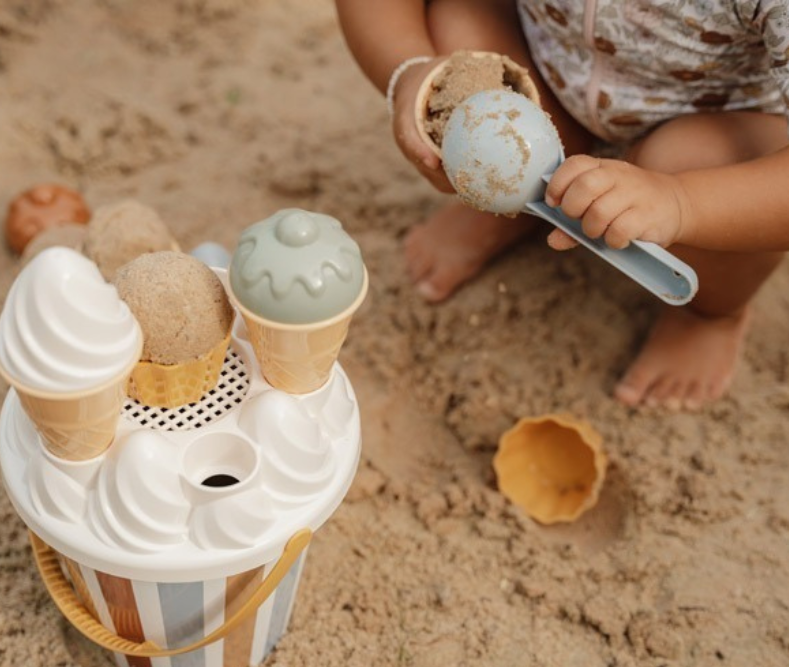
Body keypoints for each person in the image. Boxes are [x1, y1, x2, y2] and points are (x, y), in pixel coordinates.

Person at [334, 0, 789, 410]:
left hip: (718, 134)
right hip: (550, 75)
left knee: (686, 163)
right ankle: (519, 196)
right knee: (461, 24)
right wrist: (408, 71)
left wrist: (682, 203)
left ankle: (712, 313)